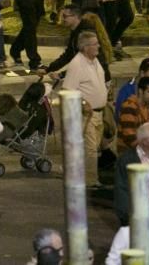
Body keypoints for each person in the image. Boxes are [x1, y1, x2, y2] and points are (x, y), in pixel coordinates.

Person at [61, 31, 109, 189]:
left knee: (93, 148)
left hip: (99, 113)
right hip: (87, 114)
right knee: (90, 150)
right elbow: (68, 90)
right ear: (85, 47)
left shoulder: (95, 61)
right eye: (95, 44)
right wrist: (82, 102)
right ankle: (90, 182)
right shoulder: (77, 64)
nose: (98, 46)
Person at [113, 123, 149, 226]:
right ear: (144, 141)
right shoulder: (127, 160)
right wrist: (129, 219)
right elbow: (121, 193)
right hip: (138, 220)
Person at [116, 77, 149, 154]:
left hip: (140, 151)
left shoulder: (147, 107)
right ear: (140, 91)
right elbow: (130, 138)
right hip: (128, 153)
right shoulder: (130, 107)